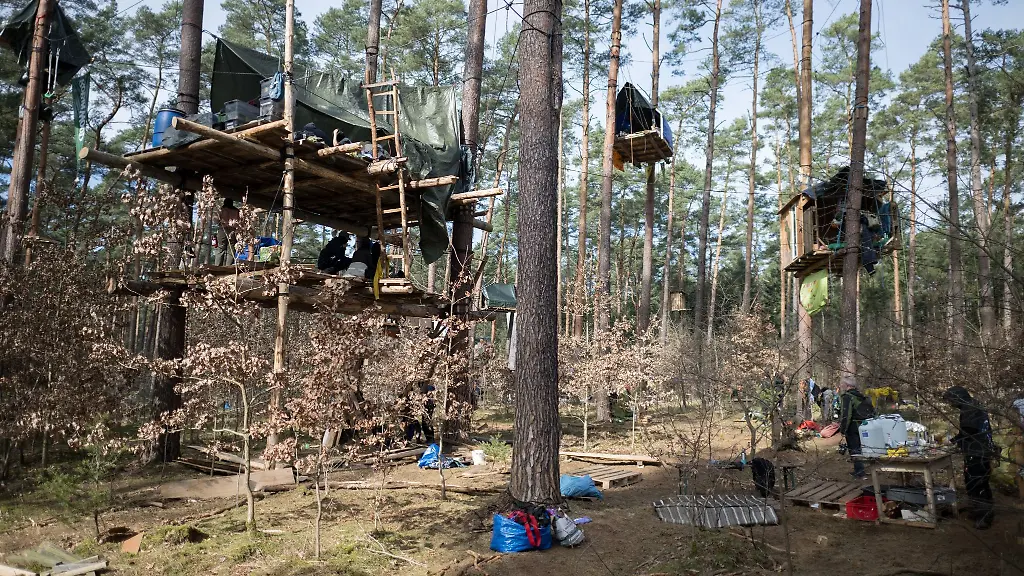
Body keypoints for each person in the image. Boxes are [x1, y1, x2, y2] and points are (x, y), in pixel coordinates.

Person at [943, 386, 995, 530]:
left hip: (978, 452)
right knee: (976, 482)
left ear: (957, 397)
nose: (951, 404)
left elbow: (969, 432)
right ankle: (978, 511)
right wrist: (956, 441)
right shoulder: (973, 405)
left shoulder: (969, 409)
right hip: (981, 450)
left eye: (951, 401)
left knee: (977, 484)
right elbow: (967, 431)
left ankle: (984, 517)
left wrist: (954, 442)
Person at [839, 376, 873, 479]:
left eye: (842, 384)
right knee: (862, 448)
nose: (841, 386)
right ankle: (861, 470)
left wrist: (843, 429)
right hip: (865, 425)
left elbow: (846, 414)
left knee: (854, 449)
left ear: (847, 385)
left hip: (853, 426)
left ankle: (860, 472)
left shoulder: (848, 397)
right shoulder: (862, 396)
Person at [214, 199, 240, 265]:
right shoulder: (236, 211)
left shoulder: (221, 209)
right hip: (233, 230)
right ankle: (228, 267)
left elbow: (216, 221)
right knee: (231, 250)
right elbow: (239, 222)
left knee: (220, 249)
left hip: (222, 229)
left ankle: (218, 267)